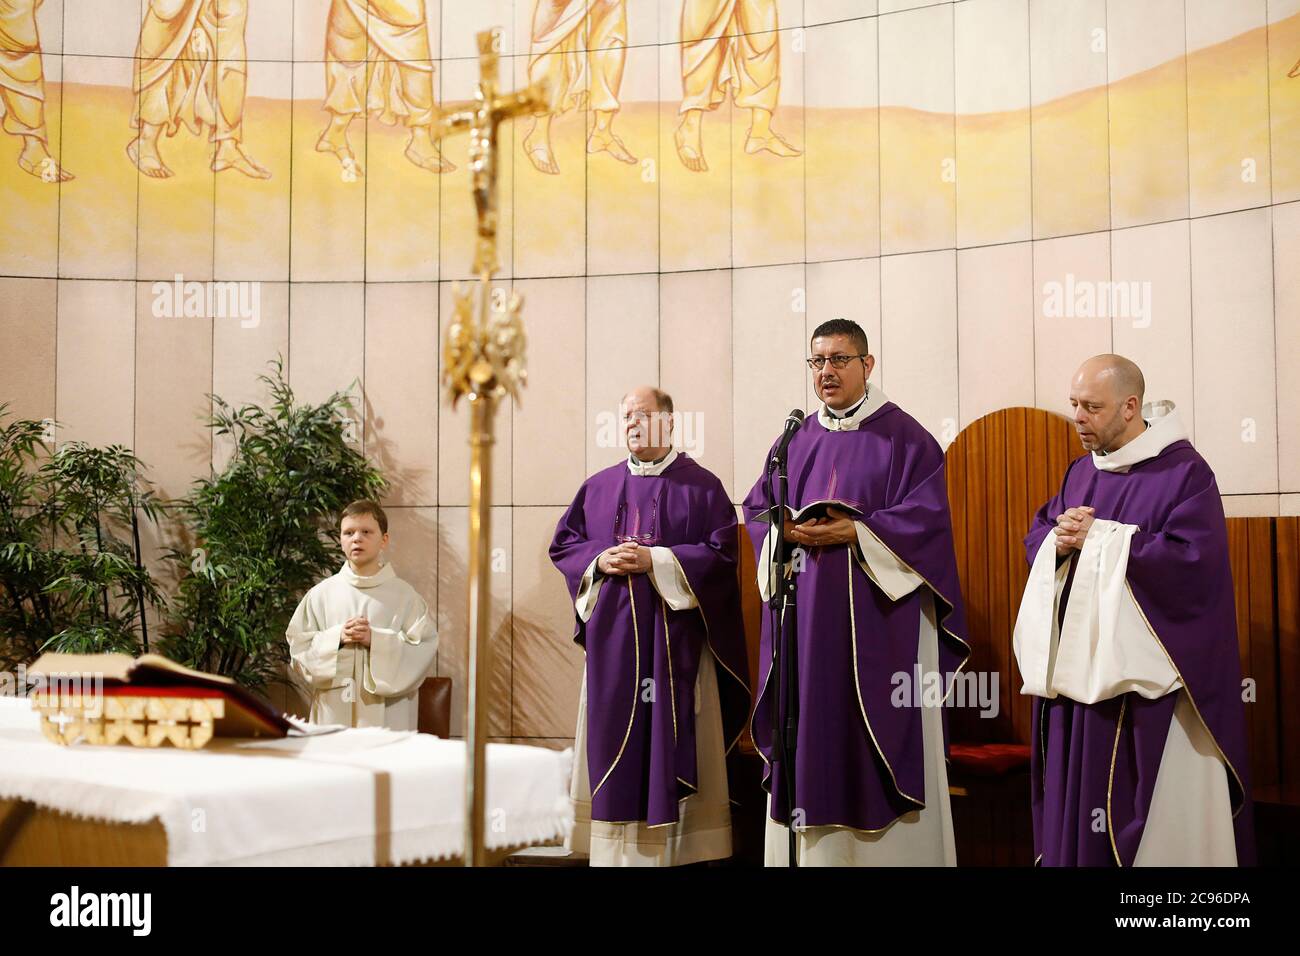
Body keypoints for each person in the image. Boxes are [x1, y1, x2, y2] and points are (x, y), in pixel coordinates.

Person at [740, 318, 969, 865]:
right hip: (804, 625)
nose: (826, 372)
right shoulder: (793, 440)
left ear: (867, 365)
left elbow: (927, 525)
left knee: (877, 732)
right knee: (807, 720)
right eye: (817, 361)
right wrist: (782, 530)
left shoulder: (907, 438)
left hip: (877, 627)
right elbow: (755, 511)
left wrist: (858, 531)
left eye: (839, 360)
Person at [1013, 354, 1254, 865]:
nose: (1078, 417)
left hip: (1150, 691)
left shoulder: (1185, 472)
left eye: (1092, 407)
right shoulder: (1080, 472)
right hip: (1081, 683)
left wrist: (1101, 538)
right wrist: (1058, 540)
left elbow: (1193, 563)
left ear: (1130, 406)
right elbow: (1040, 534)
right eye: (1074, 404)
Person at [550, 385, 750, 866]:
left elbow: (723, 558)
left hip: (675, 650)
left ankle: (683, 849)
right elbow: (565, 547)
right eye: (625, 417)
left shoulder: (702, 488)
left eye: (642, 415)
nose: (632, 425)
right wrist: (602, 560)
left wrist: (656, 560)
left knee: (678, 734)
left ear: (669, 423)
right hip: (612, 651)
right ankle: (612, 850)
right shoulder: (597, 487)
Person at [286, 499, 437, 730]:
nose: (357, 538)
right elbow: (298, 649)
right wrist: (336, 637)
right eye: (348, 532)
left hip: (388, 713)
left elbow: (422, 650)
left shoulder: (405, 597)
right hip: (333, 711)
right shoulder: (320, 595)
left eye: (366, 531)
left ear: (384, 540)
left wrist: (375, 640)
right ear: (341, 540)